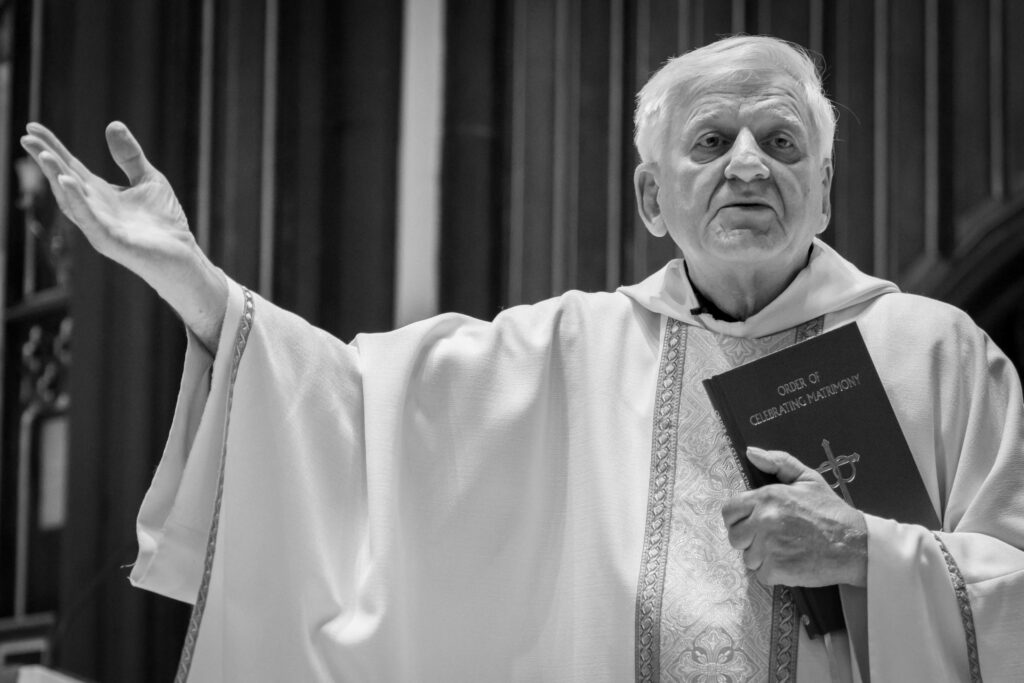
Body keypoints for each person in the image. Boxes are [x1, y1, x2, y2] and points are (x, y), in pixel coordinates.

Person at [20, 35, 1024, 682]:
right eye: (711, 141)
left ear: (826, 188)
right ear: (650, 198)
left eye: (782, 141)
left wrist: (868, 552)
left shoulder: (936, 357)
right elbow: (347, 415)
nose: (750, 163)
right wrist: (193, 280)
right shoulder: (563, 356)